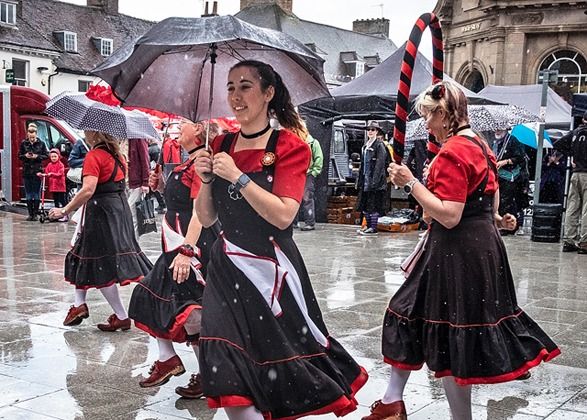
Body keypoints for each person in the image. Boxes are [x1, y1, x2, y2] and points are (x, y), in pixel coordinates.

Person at [364, 81, 560, 420]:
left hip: (456, 250)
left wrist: (411, 182)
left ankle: (448, 415)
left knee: (448, 331)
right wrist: (499, 220)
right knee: (421, 318)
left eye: (428, 116)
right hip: (479, 245)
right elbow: (488, 198)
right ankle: (393, 401)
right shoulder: (479, 145)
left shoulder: (453, 150)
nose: (426, 123)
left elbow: (448, 215)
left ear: (443, 114)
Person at [194, 60, 367, 420]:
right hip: (226, 267)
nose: (235, 96)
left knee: (276, 367)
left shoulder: (290, 146)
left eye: (245, 86)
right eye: (229, 87)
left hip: (271, 268)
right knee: (226, 368)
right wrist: (208, 179)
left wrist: (239, 177)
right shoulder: (221, 144)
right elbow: (208, 217)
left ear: (268, 93)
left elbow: (284, 215)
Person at [129, 119, 219, 398]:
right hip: (176, 242)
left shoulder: (201, 165)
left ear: (201, 132)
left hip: (190, 243)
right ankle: (199, 371)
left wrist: (187, 251)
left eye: (187, 123)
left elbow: (198, 213)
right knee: (181, 307)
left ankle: (193, 368)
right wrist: (159, 187)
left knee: (184, 306)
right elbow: (178, 202)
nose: (179, 126)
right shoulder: (185, 163)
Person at [48, 131, 153, 330]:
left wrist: (65, 209)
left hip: (101, 213)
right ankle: (79, 305)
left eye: (87, 130)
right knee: (83, 257)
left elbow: (88, 189)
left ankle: (121, 316)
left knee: (100, 264)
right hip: (117, 211)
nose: (85, 134)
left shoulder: (94, 156)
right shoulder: (118, 156)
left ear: (95, 133)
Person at [556, 111, 587, 253]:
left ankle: (569, 240)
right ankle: (584, 242)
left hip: (575, 174)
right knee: (586, 209)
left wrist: (572, 156)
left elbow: (558, 144)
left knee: (572, 206)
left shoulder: (575, 133)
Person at [356, 121, 390, 235]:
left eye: (373, 129)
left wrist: (375, 181)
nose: (370, 131)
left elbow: (380, 164)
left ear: (377, 131)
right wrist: (359, 181)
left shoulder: (379, 145)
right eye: (369, 129)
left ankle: (373, 227)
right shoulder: (365, 146)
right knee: (365, 204)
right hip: (365, 179)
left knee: (374, 205)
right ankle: (368, 226)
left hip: (375, 181)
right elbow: (362, 164)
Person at [492, 128, 527, 234]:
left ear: (506, 129)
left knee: (507, 201)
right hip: (497, 176)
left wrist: (506, 162)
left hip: (510, 176)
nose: (497, 131)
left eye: (500, 129)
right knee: (498, 201)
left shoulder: (512, 140)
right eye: (496, 129)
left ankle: (507, 227)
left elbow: (520, 158)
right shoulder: (494, 142)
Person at [294, 127, 323, 231]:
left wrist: (314, 172)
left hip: (308, 174)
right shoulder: (295, 142)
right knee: (294, 198)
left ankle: (310, 223)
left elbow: (319, 158)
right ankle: (293, 222)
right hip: (295, 174)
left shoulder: (313, 143)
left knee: (307, 198)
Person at [121, 138, 151, 239]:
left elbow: (145, 159)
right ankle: (129, 241)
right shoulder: (119, 140)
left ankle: (134, 244)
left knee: (132, 214)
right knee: (126, 214)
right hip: (123, 183)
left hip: (136, 183)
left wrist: (145, 182)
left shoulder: (137, 139)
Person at [18, 123, 49, 221]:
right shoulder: (24, 143)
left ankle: (35, 214)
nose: (31, 138)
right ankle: (30, 214)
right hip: (27, 171)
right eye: (30, 136)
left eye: (33, 136)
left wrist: (37, 156)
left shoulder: (41, 143)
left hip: (37, 170)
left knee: (36, 193)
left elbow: (46, 155)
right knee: (28, 194)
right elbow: (19, 155)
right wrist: (25, 156)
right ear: (27, 134)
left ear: (36, 134)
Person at [40, 149, 67, 217]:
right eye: (52, 157)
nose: (54, 158)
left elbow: (60, 174)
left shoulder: (61, 165)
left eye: (55, 156)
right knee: (55, 201)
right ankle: (57, 214)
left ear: (58, 156)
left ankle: (65, 214)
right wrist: (42, 174)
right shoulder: (49, 165)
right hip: (53, 186)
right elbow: (46, 172)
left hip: (60, 186)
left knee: (62, 200)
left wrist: (51, 174)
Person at [147, 138, 167, 214]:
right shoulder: (157, 148)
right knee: (155, 188)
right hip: (158, 169)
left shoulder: (150, 149)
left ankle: (156, 206)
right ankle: (161, 204)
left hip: (153, 170)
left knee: (153, 188)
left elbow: (149, 161)